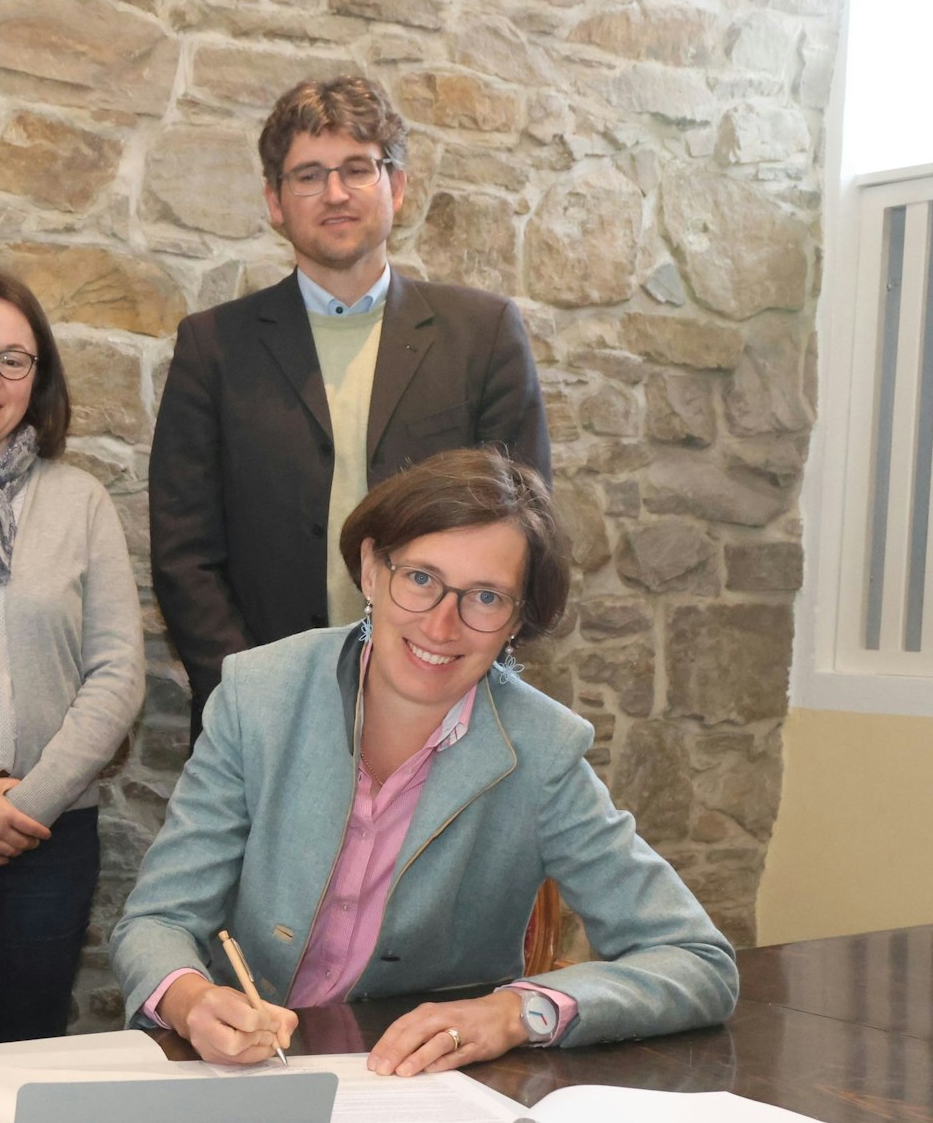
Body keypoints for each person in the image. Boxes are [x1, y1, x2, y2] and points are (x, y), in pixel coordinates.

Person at [112, 448, 735, 1074]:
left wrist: (517, 1013)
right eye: (420, 579)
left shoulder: (542, 751)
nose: (441, 626)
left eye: (486, 597)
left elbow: (696, 960)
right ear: (371, 570)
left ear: (516, 622)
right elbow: (159, 918)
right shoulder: (260, 694)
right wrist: (192, 1002)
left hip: (419, 1087)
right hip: (244, 1078)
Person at [150, 75, 551, 738]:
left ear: (396, 186)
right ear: (275, 202)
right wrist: (249, 694)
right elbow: (184, 551)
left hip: (442, 707)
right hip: (263, 714)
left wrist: (451, 673)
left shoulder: (483, 336)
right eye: (307, 175)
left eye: (357, 169)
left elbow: (522, 538)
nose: (334, 192)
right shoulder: (213, 346)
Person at [0, 269, 144, 1042]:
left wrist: (25, 806)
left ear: (37, 380)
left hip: (47, 834)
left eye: (14, 359)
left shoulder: (80, 501)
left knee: (25, 1042)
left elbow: (116, 673)